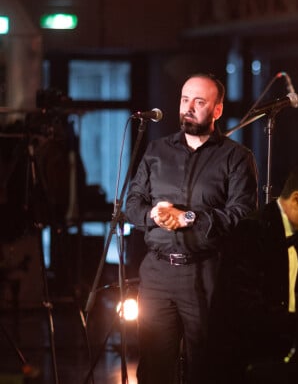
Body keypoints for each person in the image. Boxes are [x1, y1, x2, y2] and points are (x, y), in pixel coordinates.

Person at [125, 73, 258, 384]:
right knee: (154, 366)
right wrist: (155, 215)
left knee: (207, 365)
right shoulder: (157, 150)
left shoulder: (236, 157)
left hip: (207, 270)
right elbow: (132, 204)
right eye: (185, 100)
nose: (189, 107)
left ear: (217, 110)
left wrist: (189, 218)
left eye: (199, 102)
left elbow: (242, 214)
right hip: (157, 272)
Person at [207, 158, 298, 384]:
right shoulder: (252, 231)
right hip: (245, 366)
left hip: (275, 357)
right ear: (297, 199)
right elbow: (245, 311)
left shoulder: (294, 235)